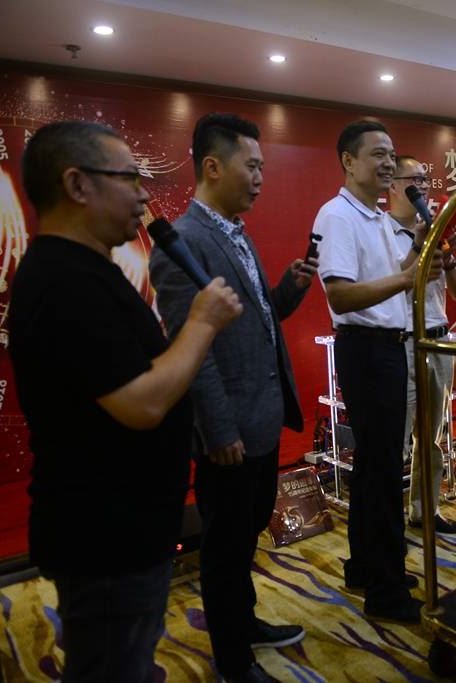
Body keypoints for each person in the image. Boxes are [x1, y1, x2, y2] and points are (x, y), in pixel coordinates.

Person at [10, 120, 242, 683]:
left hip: (126, 526)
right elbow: (141, 403)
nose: (143, 195)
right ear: (77, 184)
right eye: (130, 178)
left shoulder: (86, 270)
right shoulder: (64, 281)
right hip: (105, 536)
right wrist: (202, 323)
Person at [149, 113, 316, 683]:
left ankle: (244, 623)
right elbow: (194, 351)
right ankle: (232, 658)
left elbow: (250, 321)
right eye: (253, 166)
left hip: (260, 422)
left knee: (244, 538)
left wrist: (287, 292)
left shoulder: (234, 232)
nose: (261, 178)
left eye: (263, 167)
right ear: (213, 167)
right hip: (230, 435)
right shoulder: (183, 243)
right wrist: (217, 430)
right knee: (223, 549)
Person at [313, 120, 443, 624]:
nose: (389, 164)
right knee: (385, 470)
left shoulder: (375, 217)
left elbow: (395, 277)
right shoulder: (338, 216)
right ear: (348, 161)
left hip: (386, 347)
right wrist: (408, 278)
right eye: (378, 155)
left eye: (392, 155)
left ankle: (365, 567)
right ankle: (387, 590)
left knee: (374, 468)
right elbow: (341, 294)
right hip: (367, 350)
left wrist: (419, 249)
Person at [387, 155, 456, 535]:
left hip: (438, 343)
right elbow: (387, 288)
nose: (421, 187)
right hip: (402, 342)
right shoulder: (382, 231)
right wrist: (418, 247)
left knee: (431, 438)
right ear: (392, 185)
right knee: (396, 441)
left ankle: (425, 509)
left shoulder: (437, 231)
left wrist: (447, 256)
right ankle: (389, 523)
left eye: (425, 180)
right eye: (413, 179)